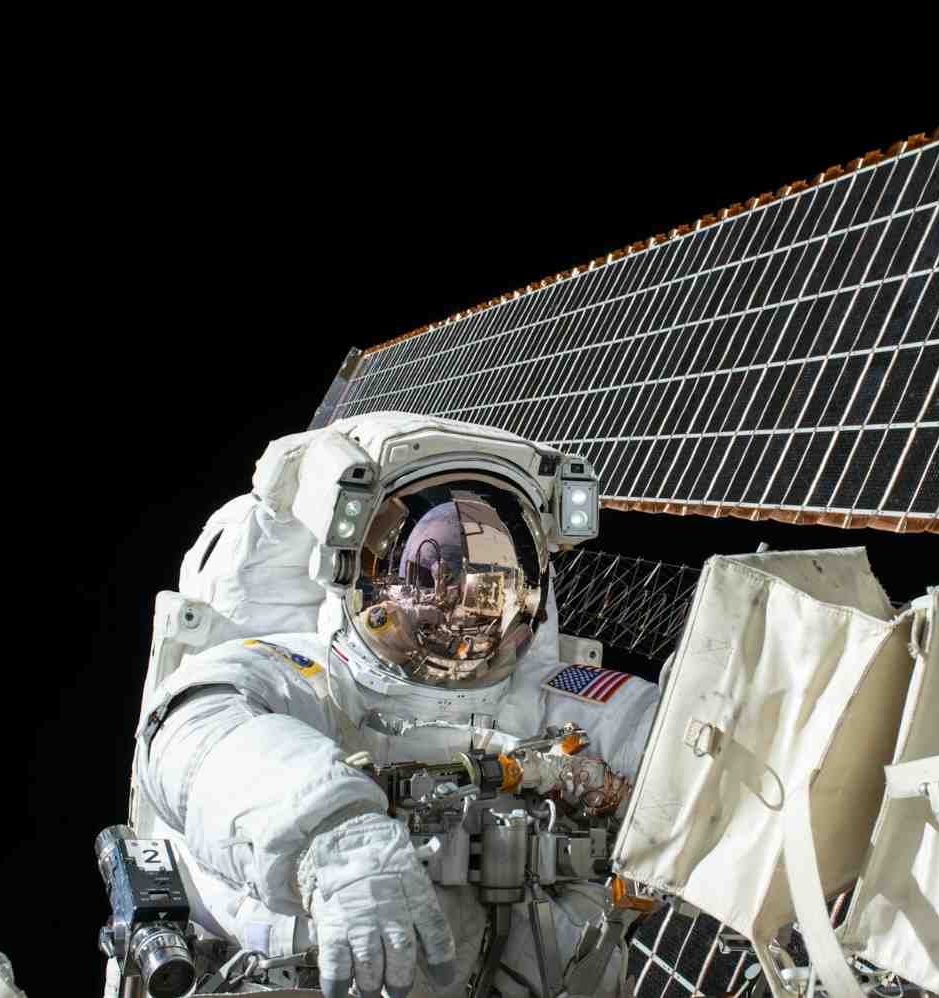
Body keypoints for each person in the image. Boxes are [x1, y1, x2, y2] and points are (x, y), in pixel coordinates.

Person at [130, 413, 661, 998]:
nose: (461, 607)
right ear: (359, 570)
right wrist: (332, 833)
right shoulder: (307, 670)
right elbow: (193, 725)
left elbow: (687, 745)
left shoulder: (549, 695)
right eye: (439, 575)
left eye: (490, 579)